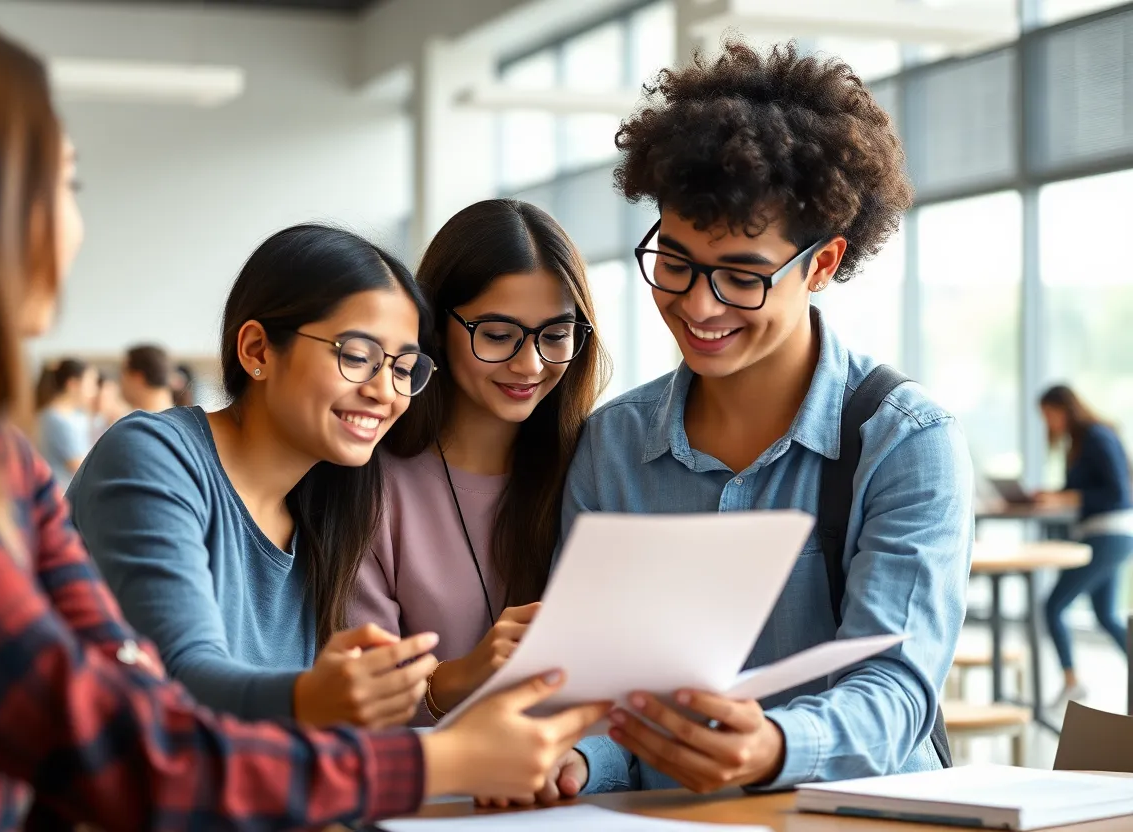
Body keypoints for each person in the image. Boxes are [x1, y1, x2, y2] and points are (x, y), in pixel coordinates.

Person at [0, 7, 607, 828]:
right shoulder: (129, 461)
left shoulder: (9, 466)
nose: (386, 390)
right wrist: (436, 753)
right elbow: (146, 734)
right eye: (63, 183)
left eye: (400, 366)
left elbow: (130, 690)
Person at [509, 38, 975, 802]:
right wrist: (578, 759)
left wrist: (773, 747)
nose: (698, 306)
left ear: (821, 265)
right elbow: (604, 694)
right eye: (677, 262)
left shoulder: (905, 441)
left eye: (742, 277)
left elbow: (898, 692)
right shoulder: (613, 444)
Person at [70, 224, 469, 727]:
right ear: (257, 350)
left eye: (403, 367)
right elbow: (178, 679)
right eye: (357, 356)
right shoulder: (152, 456)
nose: (385, 392)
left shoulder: (328, 509)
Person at [351, 199, 610, 724]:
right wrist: (464, 673)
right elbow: (357, 708)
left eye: (556, 335)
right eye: (497, 335)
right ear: (436, 328)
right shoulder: (369, 483)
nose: (530, 363)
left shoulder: (600, 465)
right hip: (427, 795)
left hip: (582, 788)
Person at [1037, 385, 1133, 706]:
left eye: (1049, 414)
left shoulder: (1097, 436)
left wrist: (1069, 497)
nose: (1048, 423)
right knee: (1105, 615)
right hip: (1102, 534)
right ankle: (1073, 681)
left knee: (1053, 606)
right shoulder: (1078, 444)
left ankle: (1071, 680)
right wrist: (1054, 496)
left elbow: (1118, 493)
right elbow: (1078, 489)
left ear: (1064, 409)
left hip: (1109, 533)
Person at [35, 358, 98, 489]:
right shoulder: (55, 418)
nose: (94, 391)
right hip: (61, 495)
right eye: (90, 384)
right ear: (72, 384)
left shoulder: (78, 416)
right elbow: (79, 466)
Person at [119, 343, 175, 412]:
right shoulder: (181, 419)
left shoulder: (135, 422)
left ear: (137, 378)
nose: (120, 381)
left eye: (123, 374)